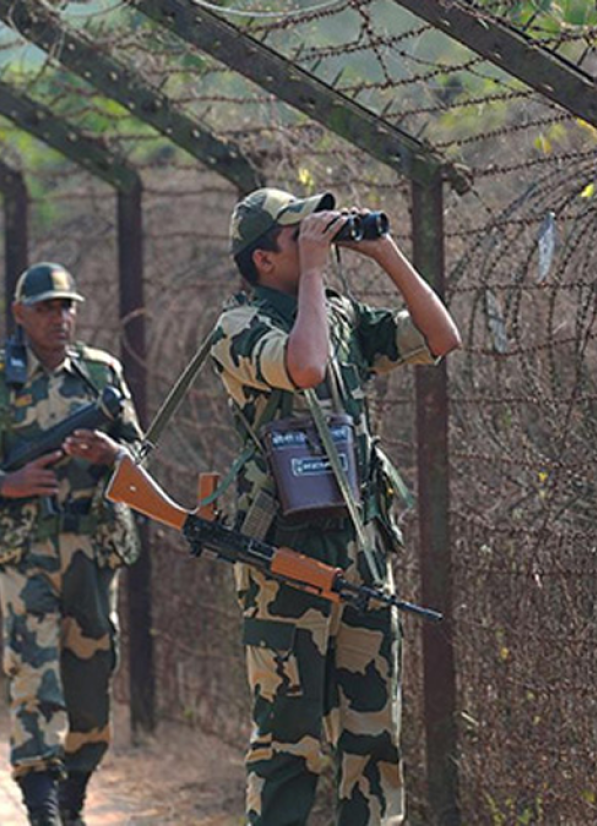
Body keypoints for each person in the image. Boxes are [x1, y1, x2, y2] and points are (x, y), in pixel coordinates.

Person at [210, 188, 460, 825]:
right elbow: (307, 366)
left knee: (374, 736)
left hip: (362, 552)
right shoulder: (241, 327)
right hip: (284, 559)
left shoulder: (340, 312)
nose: (317, 239)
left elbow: (440, 336)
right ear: (264, 258)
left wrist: (385, 253)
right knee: (290, 741)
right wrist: (317, 273)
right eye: (299, 235)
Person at [0, 263, 143, 826]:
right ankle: (41, 810)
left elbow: (143, 455)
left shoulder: (102, 374)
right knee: (33, 678)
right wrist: (5, 483)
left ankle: (73, 802)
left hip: (93, 547)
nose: (58, 317)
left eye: (66, 306)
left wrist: (111, 456)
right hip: (27, 553)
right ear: (20, 314)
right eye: (45, 307)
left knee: (92, 683)